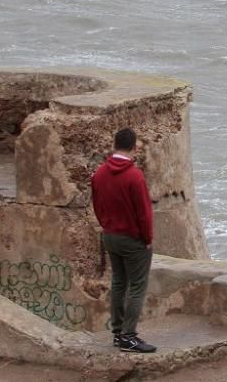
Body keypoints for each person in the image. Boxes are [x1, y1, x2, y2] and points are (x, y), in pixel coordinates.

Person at [91, 128, 157, 353]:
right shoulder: (134, 176)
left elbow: (97, 205)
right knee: (137, 286)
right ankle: (129, 336)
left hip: (110, 235)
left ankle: (118, 333)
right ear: (134, 146)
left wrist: (107, 226)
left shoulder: (99, 173)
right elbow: (144, 213)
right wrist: (147, 238)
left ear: (115, 144)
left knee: (119, 283)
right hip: (133, 239)